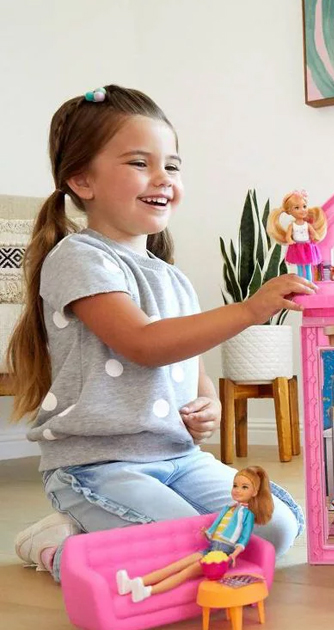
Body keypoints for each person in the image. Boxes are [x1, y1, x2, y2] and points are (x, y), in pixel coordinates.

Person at [7, 84, 313, 583]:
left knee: (273, 527)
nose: (162, 178)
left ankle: (103, 536)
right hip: (99, 466)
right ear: (81, 179)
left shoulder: (170, 276)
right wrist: (249, 309)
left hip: (178, 456)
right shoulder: (79, 259)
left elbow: (188, 364)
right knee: (192, 546)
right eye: (139, 163)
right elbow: (144, 344)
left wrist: (206, 402)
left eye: (171, 165)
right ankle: (60, 545)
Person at [116, 466, 273, 602]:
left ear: (255, 492)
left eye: (244, 487)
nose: (238, 490)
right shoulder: (229, 508)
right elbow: (221, 528)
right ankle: (133, 584)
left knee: (185, 573)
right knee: (175, 566)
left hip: (221, 557)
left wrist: (233, 555)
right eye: (235, 485)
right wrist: (208, 533)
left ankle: (147, 592)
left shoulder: (247, 515)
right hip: (211, 549)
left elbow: (243, 538)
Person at [267, 189, 327, 281]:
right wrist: (290, 240)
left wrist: (316, 236)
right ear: (289, 211)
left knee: (307, 268)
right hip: (297, 247)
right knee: (299, 268)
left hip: (307, 247)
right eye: (297, 208)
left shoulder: (307, 225)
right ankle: (301, 283)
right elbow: (288, 236)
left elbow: (313, 233)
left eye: (304, 206)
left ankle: (309, 283)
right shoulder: (292, 225)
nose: (302, 210)